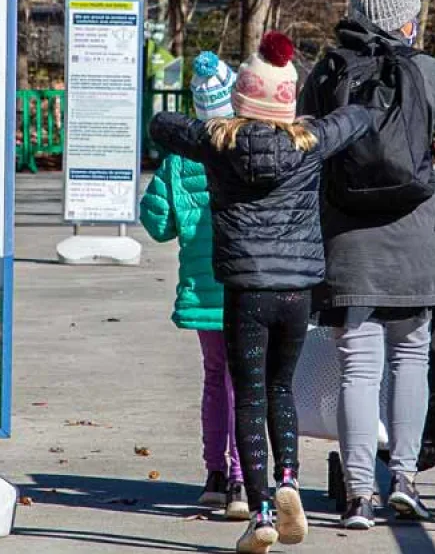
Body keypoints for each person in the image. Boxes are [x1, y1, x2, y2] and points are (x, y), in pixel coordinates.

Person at [299, 0, 435, 529]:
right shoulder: (426, 71)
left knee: (358, 366)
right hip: (415, 240)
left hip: (346, 244)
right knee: (411, 357)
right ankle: (404, 479)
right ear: (404, 18)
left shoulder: (327, 71)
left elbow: (305, 151)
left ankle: (358, 493)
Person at [149, 32, 373, 554]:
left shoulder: (218, 143)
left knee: (247, 393)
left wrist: (216, 123)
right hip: (297, 293)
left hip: (245, 292)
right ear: (286, 97)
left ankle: (263, 510)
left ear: (243, 96)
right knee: (280, 390)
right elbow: (357, 119)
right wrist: (313, 118)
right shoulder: (311, 140)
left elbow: (163, 126)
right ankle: (290, 478)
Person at [139, 52, 247, 520]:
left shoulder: (180, 160)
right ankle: (244, 478)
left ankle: (214, 476)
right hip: (245, 285)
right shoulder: (248, 147)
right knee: (246, 384)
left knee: (213, 377)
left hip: (203, 290)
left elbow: (157, 222)